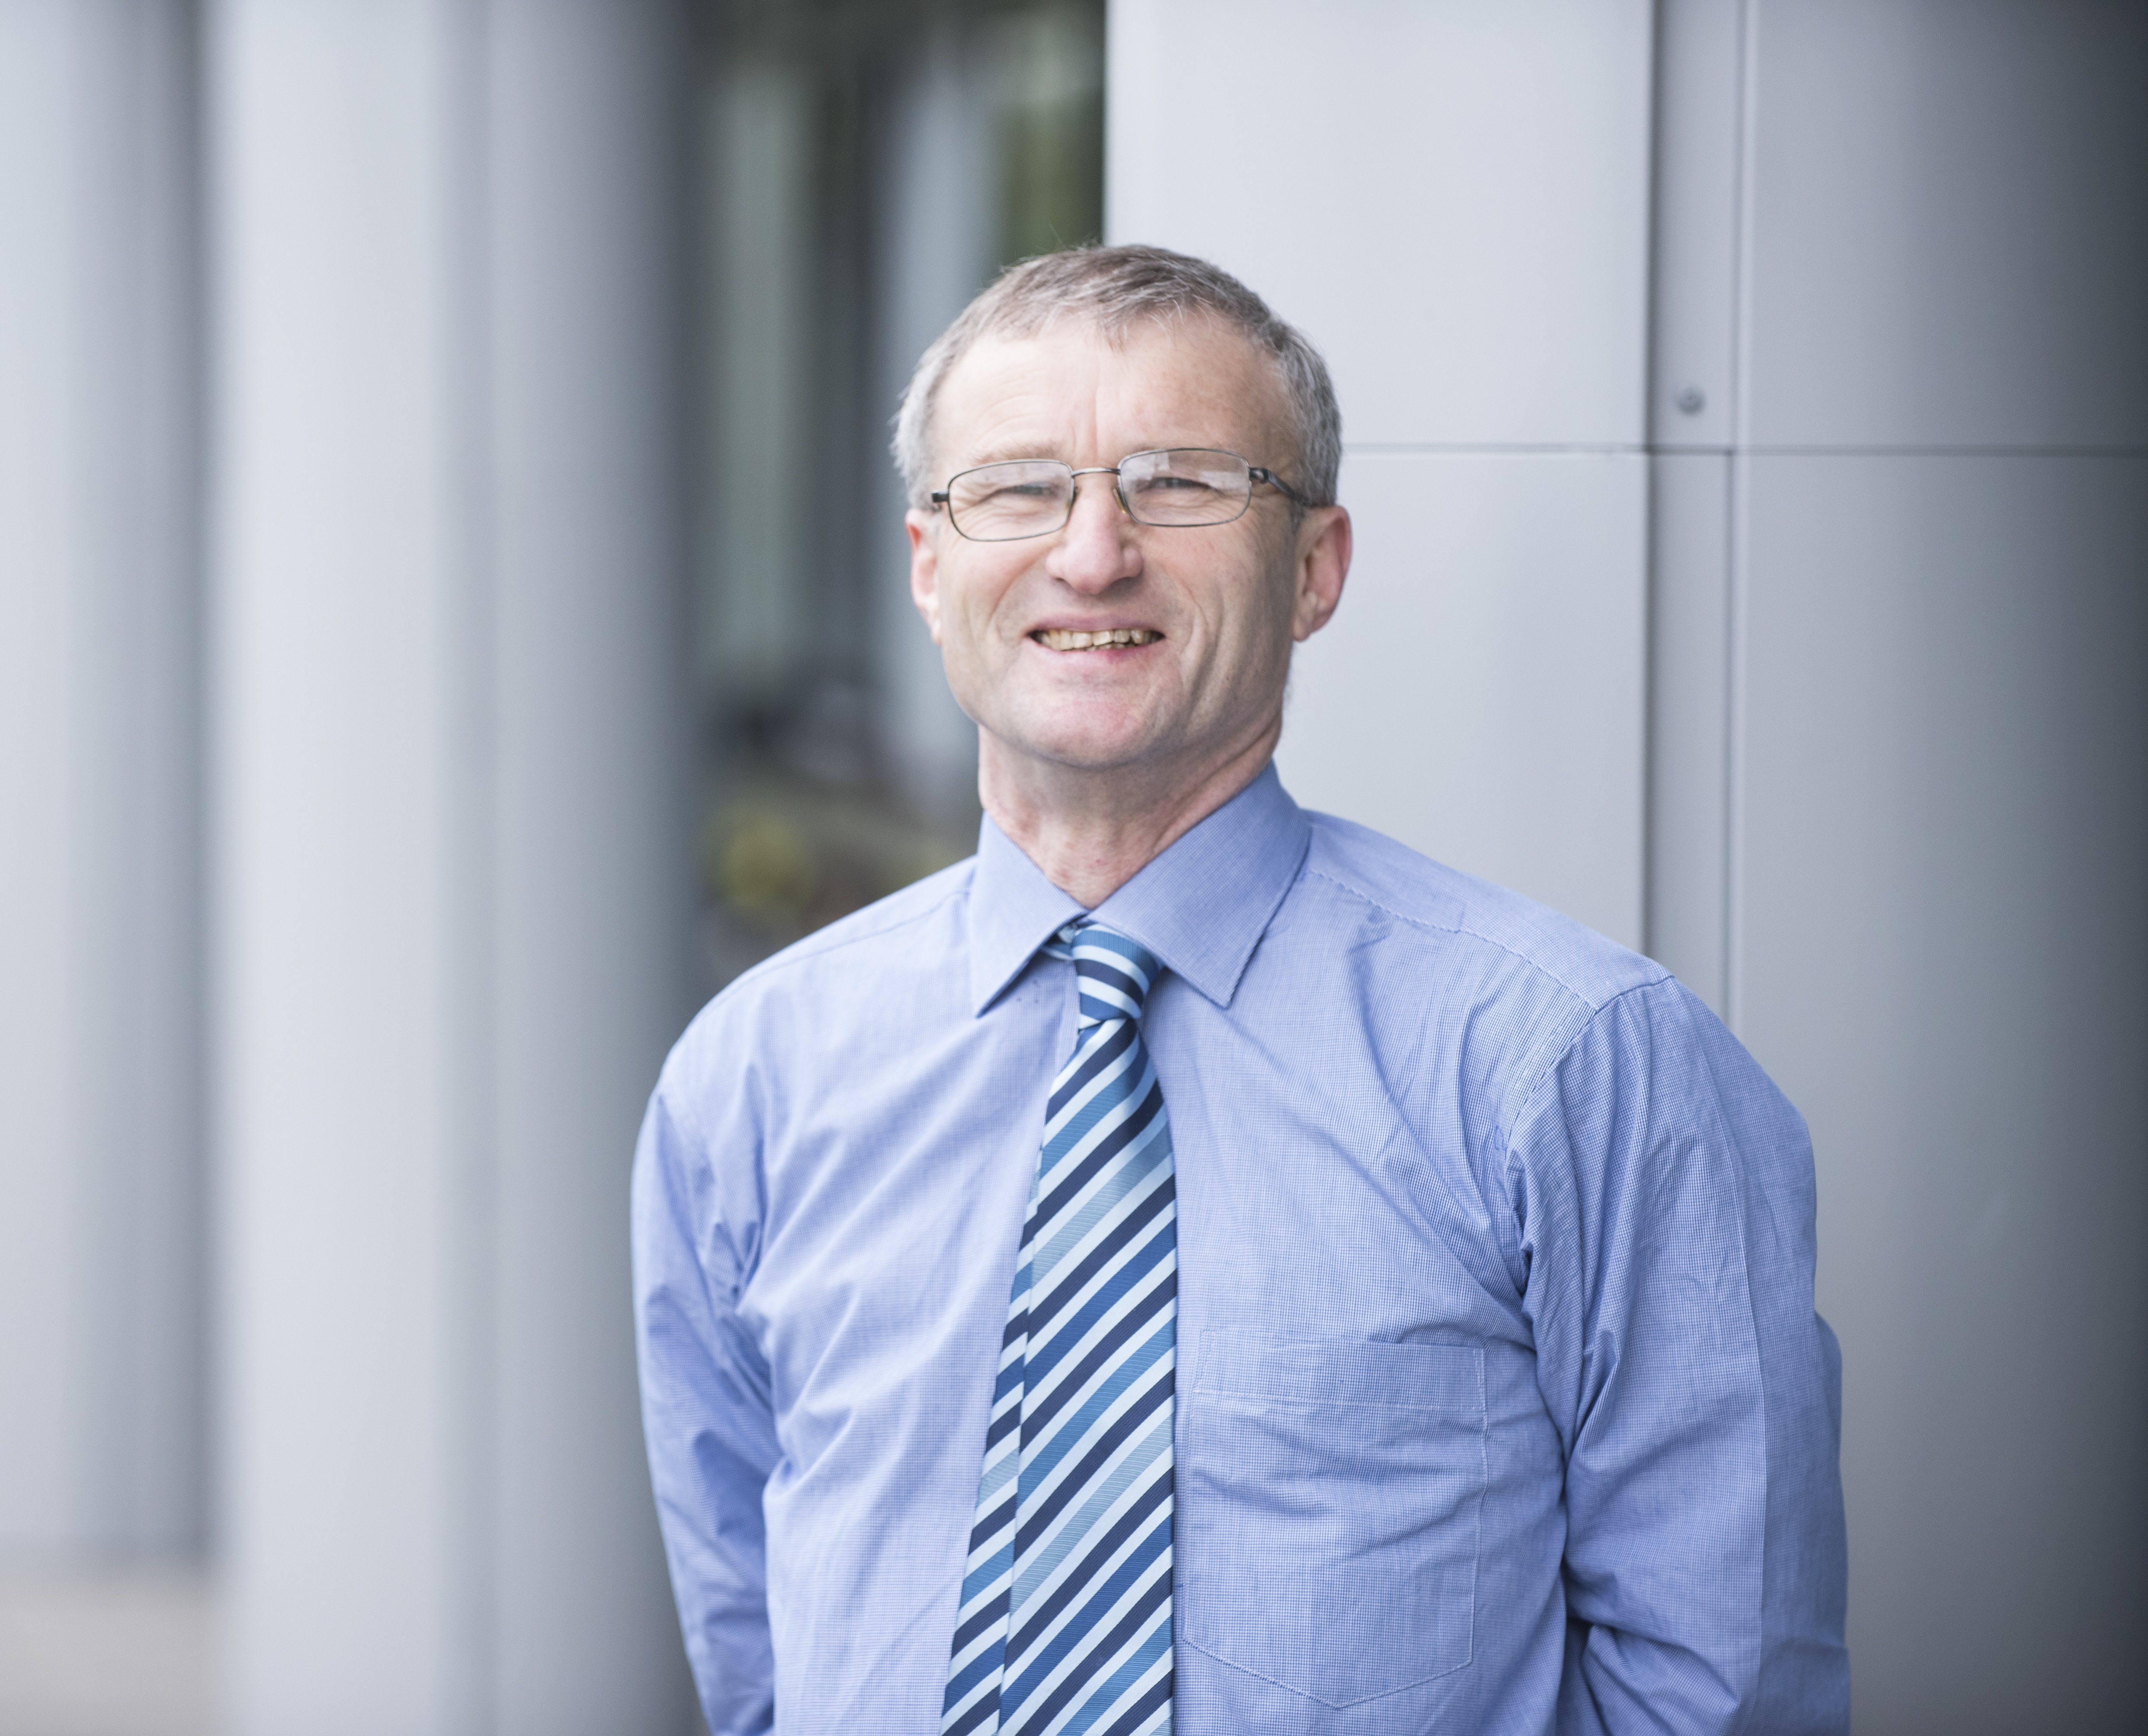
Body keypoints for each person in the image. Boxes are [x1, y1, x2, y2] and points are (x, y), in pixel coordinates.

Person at [632, 244, 1847, 1736]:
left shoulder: (1574, 1065)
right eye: (1017, 487)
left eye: (1182, 481)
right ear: (930, 565)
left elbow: (1726, 1688)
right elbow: (757, 1643)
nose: (1091, 553)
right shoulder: (754, 1071)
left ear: (1317, 569)